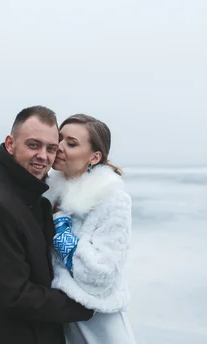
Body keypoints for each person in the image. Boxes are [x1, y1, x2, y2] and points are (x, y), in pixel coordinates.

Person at [0, 106, 94, 344]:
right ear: (10, 144)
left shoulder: (33, 198)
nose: (43, 156)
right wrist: (85, 304)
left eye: (51, 148)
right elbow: (16, 296)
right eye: (33, 145)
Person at [44, 114, 137, 343]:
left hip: (99, 328)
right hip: (62, 322)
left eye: (72, 143)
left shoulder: (112, 200)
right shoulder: (48, 194)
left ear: (94, 157)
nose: (60, 147)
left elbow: (100, 274)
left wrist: (59, 226)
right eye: (60, 139)